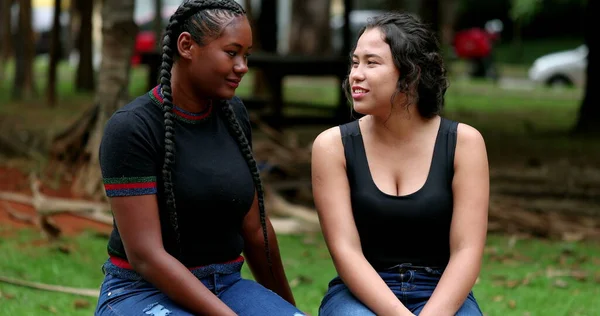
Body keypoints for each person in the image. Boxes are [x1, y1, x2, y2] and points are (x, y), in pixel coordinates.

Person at [94, 1, 304, 315]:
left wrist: (289, 309)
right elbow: (146, 255)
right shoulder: (132, 128)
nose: (243, 66)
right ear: (187, 46)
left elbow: (255, 230)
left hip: (227, 284)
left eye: (246, 55)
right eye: (231, 53)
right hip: (140, 291)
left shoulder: (233, 115)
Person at [311, 12, 489, 316]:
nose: (355, 74)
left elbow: (466, 251)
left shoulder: (464, 143)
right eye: (355, 62)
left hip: (441, 290)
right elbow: (346, 251)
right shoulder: (332, 146)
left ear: (411, 74)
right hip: (360, 293)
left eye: (372, 63)